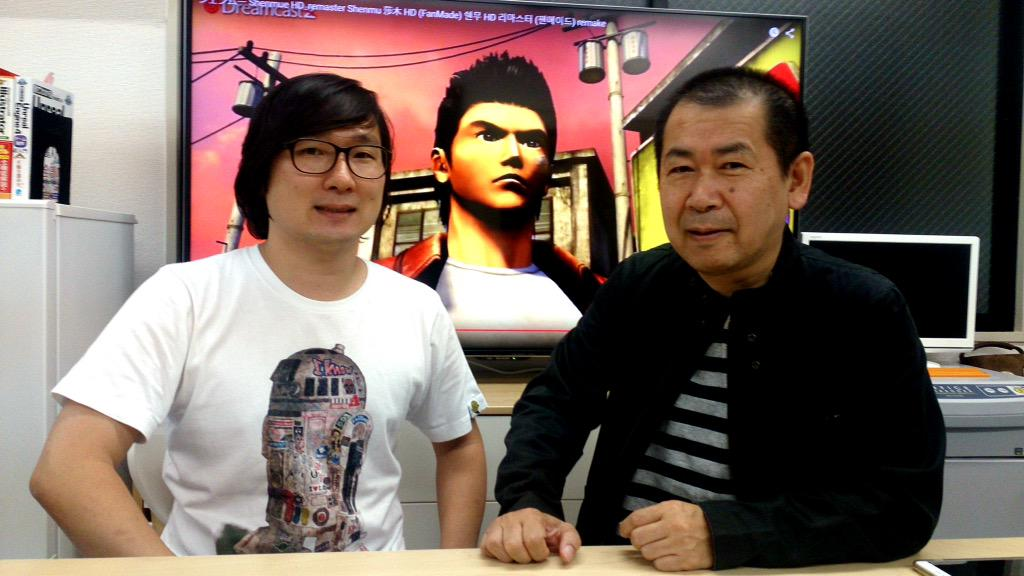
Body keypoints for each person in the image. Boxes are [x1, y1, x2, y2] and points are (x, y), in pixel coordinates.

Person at [481, 67, 945, 571]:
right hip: (620, 561)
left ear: (796, 180)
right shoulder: (640, 284)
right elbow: (558, 400)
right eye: (681, 169)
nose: (701, 197)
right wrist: (528, 500)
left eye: (732, 166)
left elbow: (902, 506)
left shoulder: (862, 309)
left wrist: (725, 533)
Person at [30, 73, 487, 557]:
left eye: (363, 155)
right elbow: (67, 469)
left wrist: (453, 564)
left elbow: (460, 444)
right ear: (261, 171)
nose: (342, 178)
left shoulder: (416, 306)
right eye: (313, 152)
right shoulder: (184, 296)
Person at [376, 53, 603, 347]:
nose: (513, 154)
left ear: (548, 174)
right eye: (489, 135)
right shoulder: (383, 285)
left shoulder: (599, 294)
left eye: (531, 141)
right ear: (441, 165)